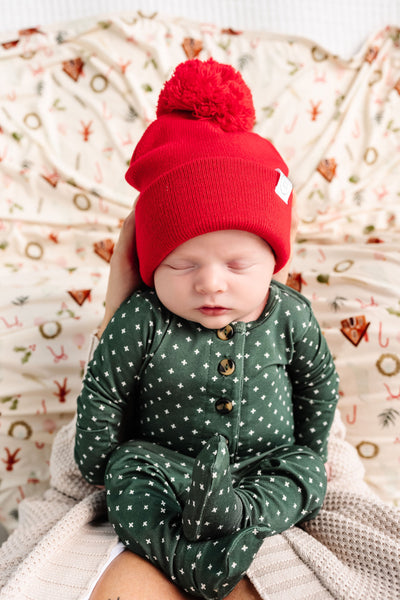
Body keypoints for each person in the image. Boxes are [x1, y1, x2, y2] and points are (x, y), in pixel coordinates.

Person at [75, 58, 339, 600]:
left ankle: (238, 513)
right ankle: (178, 546)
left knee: (308, 477)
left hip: (265, 464)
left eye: (237, 267)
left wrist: (309, 448)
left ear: (274, 264)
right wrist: (99, 457)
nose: (210, 286)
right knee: (129, 470)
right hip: (168, 467)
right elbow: (105, 387)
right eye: (182, 265)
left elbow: (318, 380)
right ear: (151, 269)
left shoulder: (288, 314)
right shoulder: (144, 317)